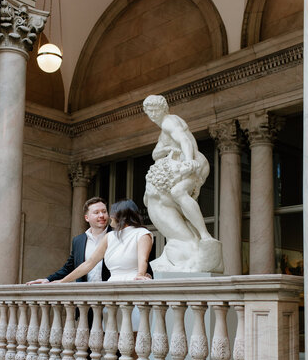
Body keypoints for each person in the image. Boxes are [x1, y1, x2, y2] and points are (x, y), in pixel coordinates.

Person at [142, 94, 223, 273]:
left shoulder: (169, 121)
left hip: (194, 161)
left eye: (155, 110)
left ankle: (205, 235)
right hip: (185, 163)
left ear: (163, 109)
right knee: (177, 203)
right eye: (150, 112)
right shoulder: (163, 130)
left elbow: (184, 140)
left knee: (178, 192)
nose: (153, 114)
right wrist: (167, 148)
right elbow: (155, 154)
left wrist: (188, 160)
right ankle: (194, 240)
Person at [47, 199, 153, 285]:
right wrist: (62, 281)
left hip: (133, 284)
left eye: (109, 212)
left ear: (121, 216)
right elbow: (89, 263)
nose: (108, 216)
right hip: (111, 286)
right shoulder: (109, 237)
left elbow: (143, 259)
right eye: (96, 212)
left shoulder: (142, 234)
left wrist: (141, 275)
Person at [26, 197, 110, 285]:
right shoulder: (78, 241)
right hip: (84, 291)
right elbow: (69, 267)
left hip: (111, 290)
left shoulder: (115, 236)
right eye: (96, 212)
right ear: (87, 218)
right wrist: (48, 279)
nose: (101, 215)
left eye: (104, 211)